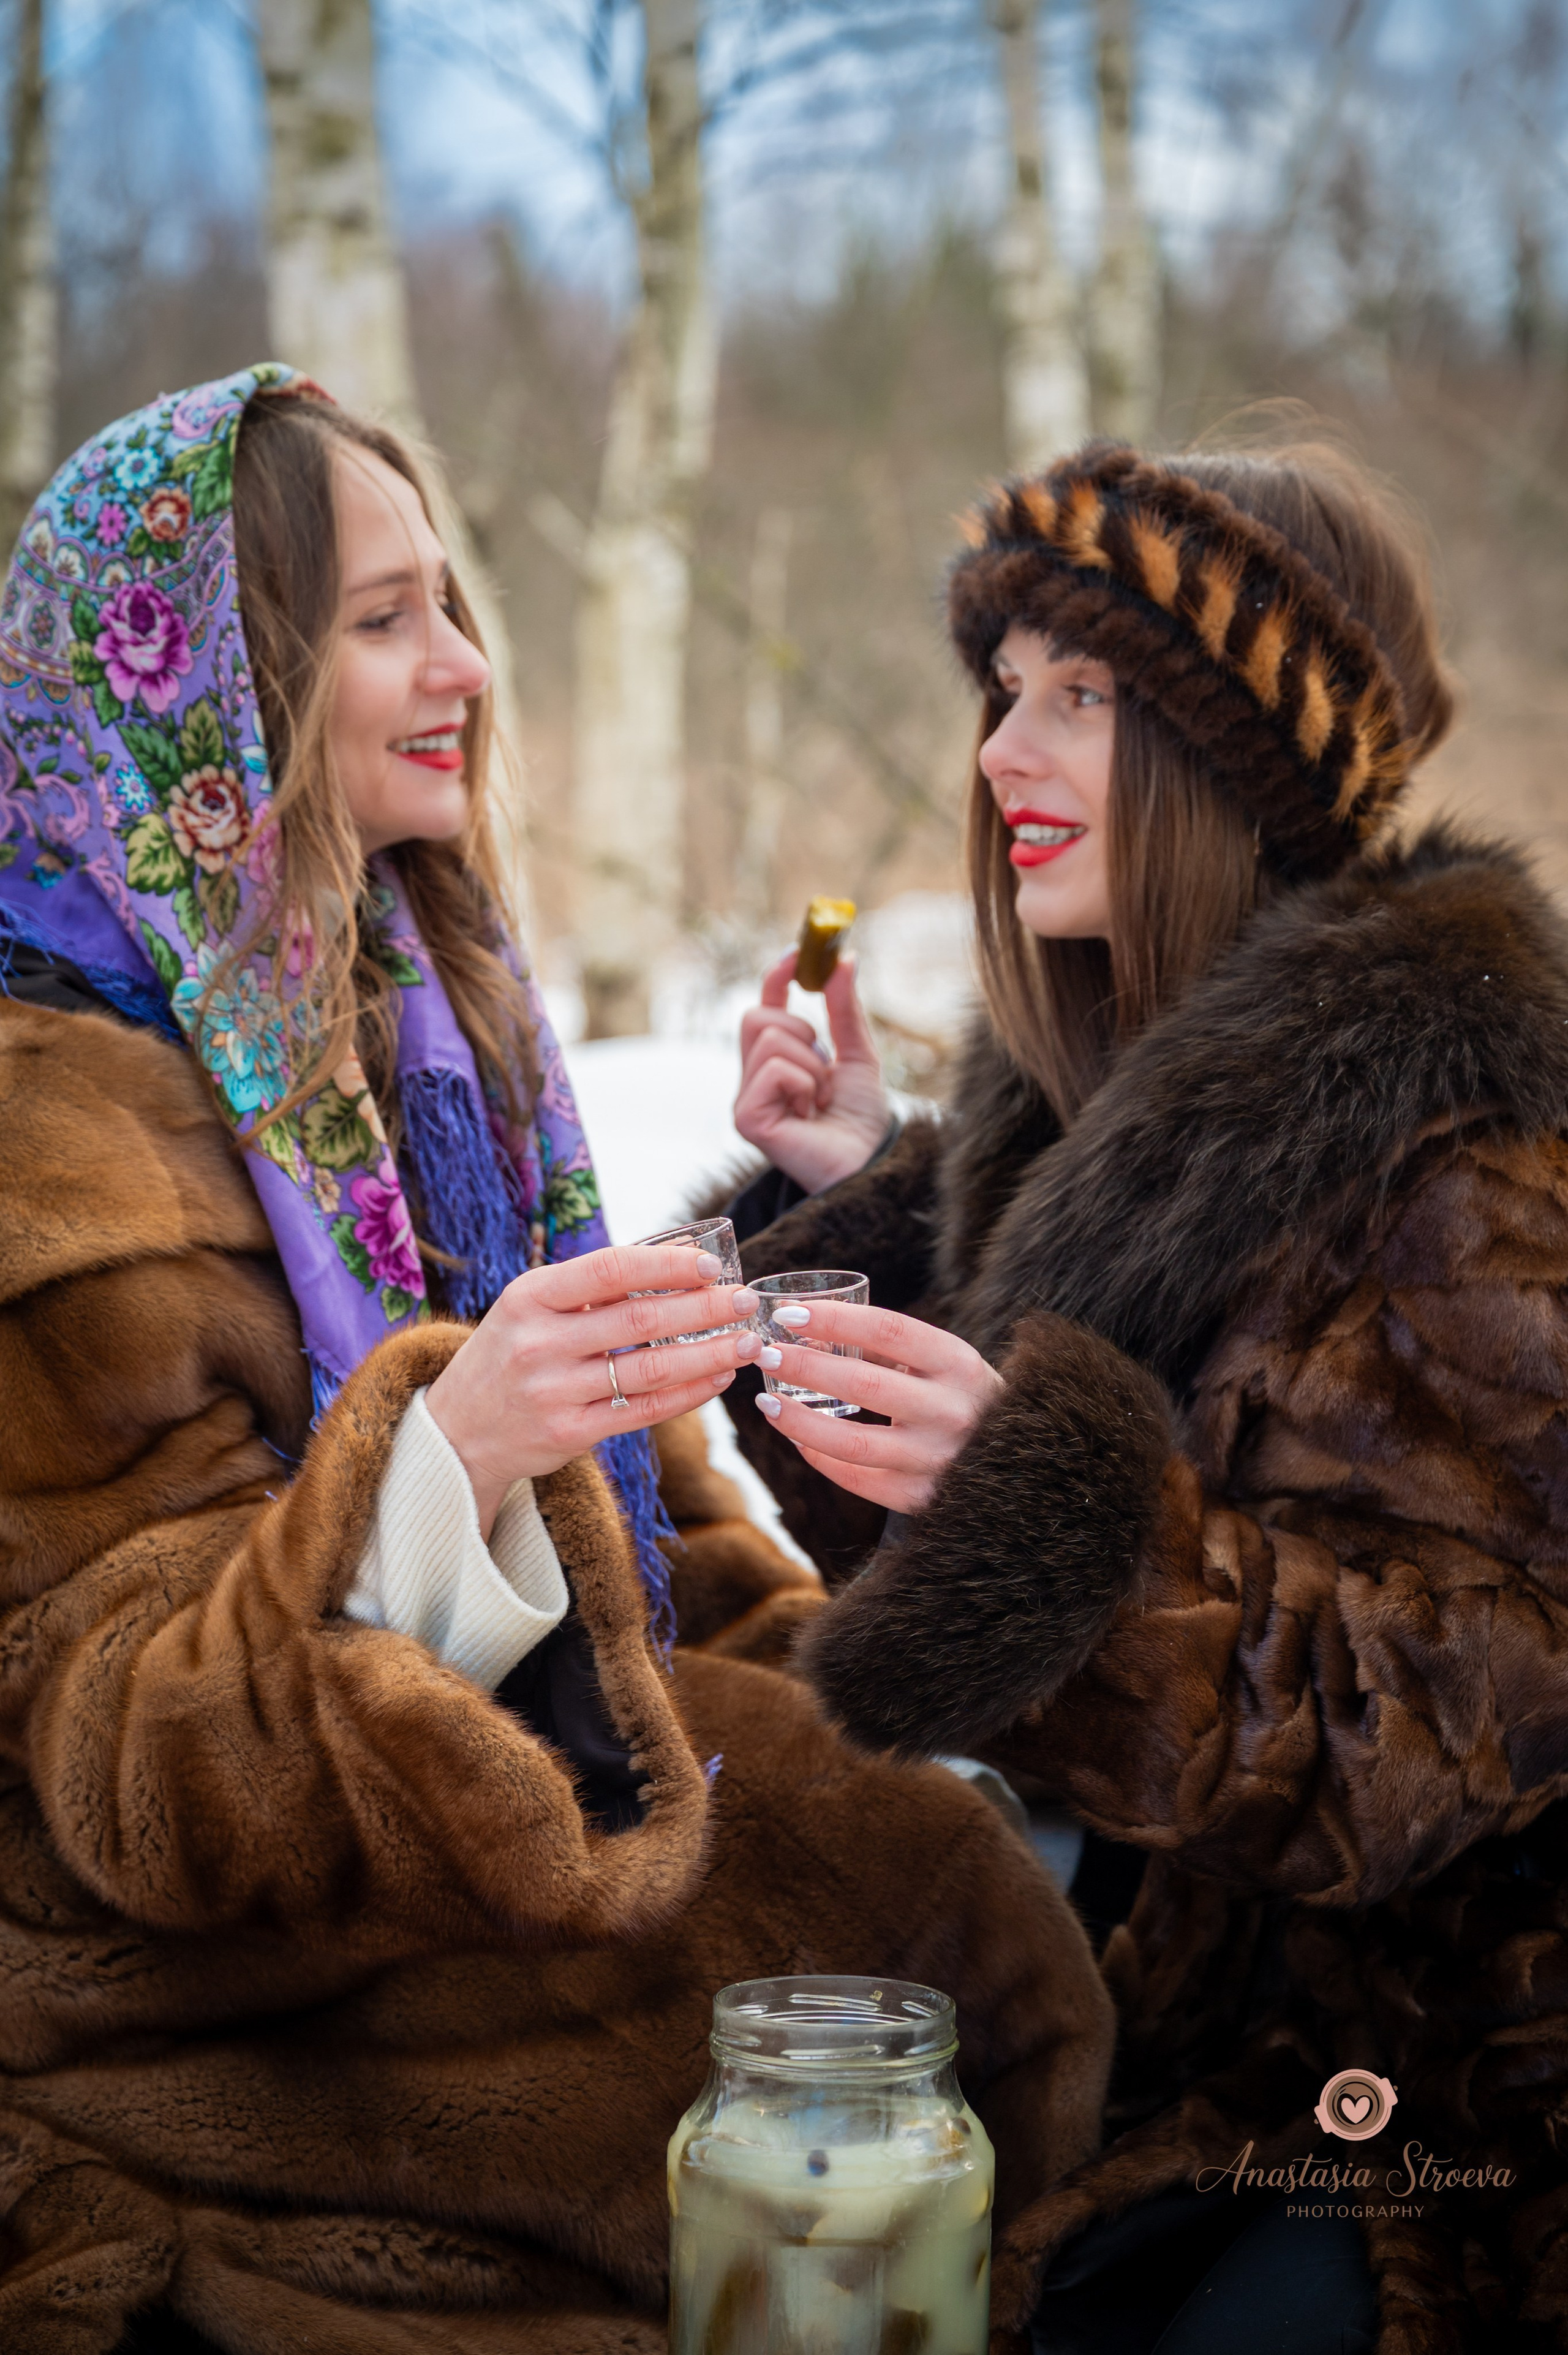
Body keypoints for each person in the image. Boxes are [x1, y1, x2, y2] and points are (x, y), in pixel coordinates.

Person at [0, 368, 1115, 2353]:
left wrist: (846, 1680)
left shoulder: (432, 1016)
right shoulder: (52, 1131)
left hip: (501, 1859)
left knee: (955, 1911)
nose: (465, 665)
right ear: (200, 694)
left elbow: (649, 1514)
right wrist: (444, 1466)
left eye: (455, 598)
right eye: (380, 619)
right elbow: (128, 1764)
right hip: (231, 1988)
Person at [723, 437, 1568, 2351]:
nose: (1004, 754)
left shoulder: (1474, 1162)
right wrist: (877, 1197)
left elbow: (1440, 1730)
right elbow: (1019, 1521)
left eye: (1083, 697)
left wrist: (1059, 1514)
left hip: (1447, 2087)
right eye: (1006, 693)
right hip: (1181, 2008)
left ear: (1240, 758)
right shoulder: (1101, 1120)